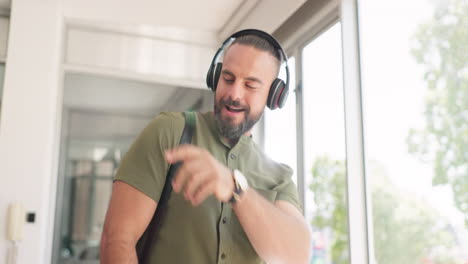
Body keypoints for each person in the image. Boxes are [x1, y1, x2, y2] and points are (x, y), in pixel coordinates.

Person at [100, 29, 312, 264]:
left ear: (273, 96)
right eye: (228, 79)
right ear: (215, 77)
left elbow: (297, 255)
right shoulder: (169, 131)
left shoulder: (279, 178)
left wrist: (235, 189)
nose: (234, 94)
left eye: (250, 85)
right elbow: (117, 240)